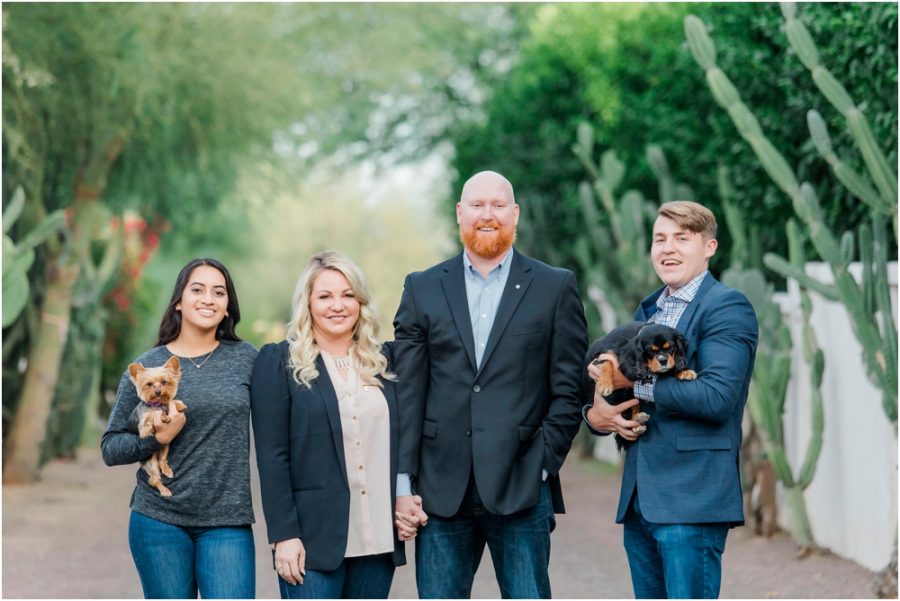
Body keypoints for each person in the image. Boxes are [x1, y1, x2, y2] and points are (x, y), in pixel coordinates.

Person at [392, 171, 589, 599]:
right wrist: (403, 483)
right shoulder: (422, 288)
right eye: (477, 205)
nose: (488, 215)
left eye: (498, 206)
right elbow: (408, 390)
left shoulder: (555, 287)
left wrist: (542, 462)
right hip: (441, 489)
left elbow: (570, 388)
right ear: (460, 213)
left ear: (514, 214)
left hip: (521, 485)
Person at [583, 200, 759, 599]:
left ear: (709, 247)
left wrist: (637, 382)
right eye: (660, 239)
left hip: (692, 498)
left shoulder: (726, 306)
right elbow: (618, 383)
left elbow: (717, 397)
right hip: (641, 499)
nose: (668, 248)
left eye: (682, 238)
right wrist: (597, 416)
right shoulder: (649, 309)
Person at [250, 251, 422, 599]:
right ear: (307, 303)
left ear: (360, 302)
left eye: (347, 295)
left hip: (377, 538)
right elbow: (273, 458)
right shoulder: (278, 363)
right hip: (312, 541)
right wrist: (283, 535)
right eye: (325, 296)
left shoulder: (386, 363)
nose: (337, 306)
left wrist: (405, 492)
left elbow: (403, 438)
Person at [101, 258, 258, 599]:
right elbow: (110, 447)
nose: (208, 299)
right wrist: (155, 439)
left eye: (219, 292)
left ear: (228, 307)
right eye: (197, 289)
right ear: (179, 301)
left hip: (227, 522)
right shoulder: (147, 367)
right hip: (158, 520)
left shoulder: (247, 359)